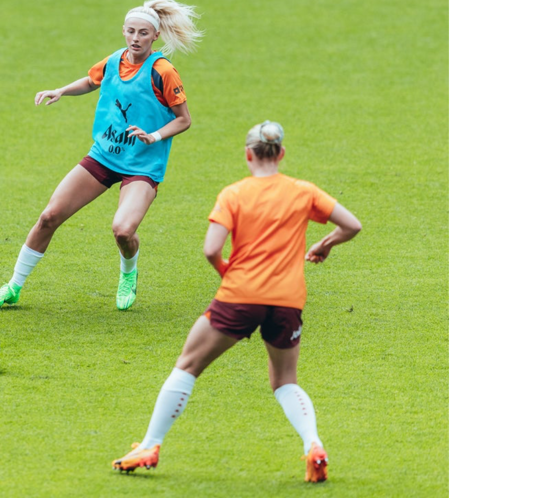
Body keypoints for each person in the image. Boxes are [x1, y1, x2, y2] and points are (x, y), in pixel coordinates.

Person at [111, 121, 362, 483]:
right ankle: (313, 445)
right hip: (288, 301)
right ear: (282, 154)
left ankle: (150, 445)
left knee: (187, 366)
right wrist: (325, 244)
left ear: (248, 154)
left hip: (240, 295)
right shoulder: (303, 191)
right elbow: (352, 225)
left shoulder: (234, 194)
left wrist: (226, 271)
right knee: (285, 382)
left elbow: (211, 248)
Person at [0, 0, 203, 311]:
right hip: (104, 157)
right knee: (49, 216)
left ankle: (129, 273)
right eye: (130, 31)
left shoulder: (163, 71)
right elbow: (91, 81)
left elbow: (184, 119)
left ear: (155, 36)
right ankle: (14, 286)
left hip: (142, 164)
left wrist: (153, 136)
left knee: (123, 230)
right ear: (124, 32)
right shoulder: (115, 60)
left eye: (143, 33)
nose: (136, 38)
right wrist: (60, 90)